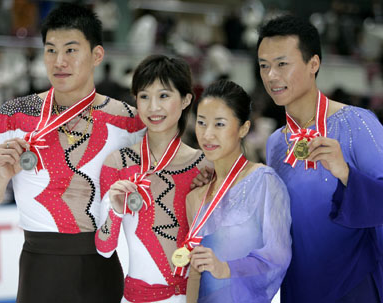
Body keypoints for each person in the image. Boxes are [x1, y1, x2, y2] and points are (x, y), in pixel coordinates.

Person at [0, 3, 145, 303]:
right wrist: (3, 174)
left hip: (101, 265)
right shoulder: (13, 116)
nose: (59, 61)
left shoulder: (129, 121)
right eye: (50, 50)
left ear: (97, 55)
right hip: (38, 270)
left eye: (71, 50)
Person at [257, 15, 383, 302]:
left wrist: (347, 174)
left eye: (282, 64)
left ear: (313, 63)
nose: (271, 76)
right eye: (264, 66)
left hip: (353, 284)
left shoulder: (357, 124)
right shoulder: (276, 143)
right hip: (299, 286)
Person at [95, 54, 211, 303]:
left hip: (195, 296)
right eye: (144, 96)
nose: (153, 107)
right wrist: (115, 211)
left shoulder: (206, 167)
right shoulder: (117, 163)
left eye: (164, 96)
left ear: (186, 100)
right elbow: (104, 248)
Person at [185, 79, 291, 303]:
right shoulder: (196, 195)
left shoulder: (263, 181)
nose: (207, 134)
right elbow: (193, 272)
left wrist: (226, 268)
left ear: (244, 128)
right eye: (202, 123)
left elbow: (278, 256)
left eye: (220, 124)